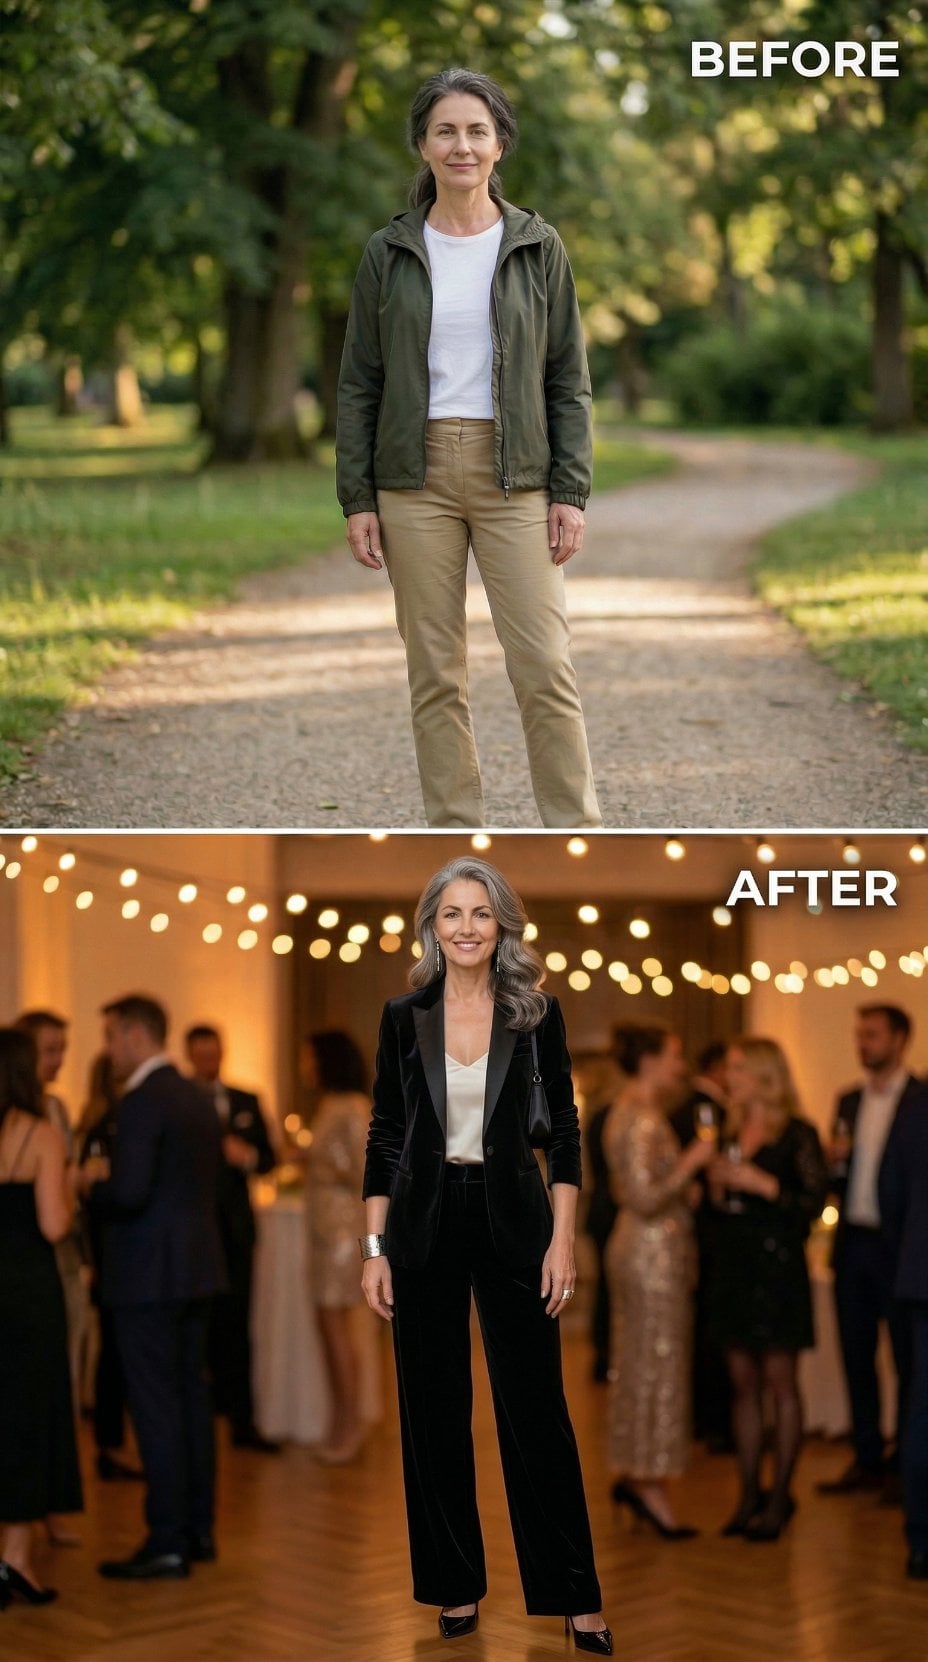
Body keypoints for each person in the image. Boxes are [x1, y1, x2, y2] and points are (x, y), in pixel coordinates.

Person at [336, 66, 602, 830]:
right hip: (412, 479)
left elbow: (567, 379)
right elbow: (359, 383)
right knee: (435, 673)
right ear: (423, 145)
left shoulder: (535, 245)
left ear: (499, 146)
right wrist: (358, 497)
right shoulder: (388, 252)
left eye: (476, 131)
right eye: (445, 131)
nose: (461, 145)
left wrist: (569, 491)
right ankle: (454, 829)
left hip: (515, 473)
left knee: (545, 666)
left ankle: (573, 828)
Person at [361, 856, 611, 1653]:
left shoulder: (537, 1013)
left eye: (480, 913)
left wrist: (563, 1240)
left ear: (502, 923)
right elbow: (385, 1138)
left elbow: (565, 1136)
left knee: (537, 1415)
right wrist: (373, 1249)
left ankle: (577, 1597)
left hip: (516, 1224)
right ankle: (455, 1586)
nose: (466, 928)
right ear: (431, 927)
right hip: (422, 1227)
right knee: (432, 1418)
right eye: (451, 914)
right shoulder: (405, 1016)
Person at [80, 995, 226, 1580]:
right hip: (197, 1268)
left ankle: (166, 1539)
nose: (109, 1048)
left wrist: (92, 1185)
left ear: (136, 1035)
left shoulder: (141, 1101)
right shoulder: (194, 1093)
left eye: (112, 1036)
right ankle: (198, 1530)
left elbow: (131, 1192)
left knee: (157, 1406)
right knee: (192, 1400)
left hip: (147, 1275)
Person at [708, 1038, 828, 1541]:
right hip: (735, 1266)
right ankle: (747, 1494)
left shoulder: (797, 1133)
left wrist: (764, 1185)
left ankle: (780, 1496)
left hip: (778, 1268)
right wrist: (714, 1184)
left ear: (761, 1073)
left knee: (780, 1382)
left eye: (736, 1067)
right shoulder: (727, 1130)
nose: (727, 1076)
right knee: (742, 1384)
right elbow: (716, 1210)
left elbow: (813, 1204)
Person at [604, 1021, 713, 1538]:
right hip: (651, 1254)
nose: (681, 1065)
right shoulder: (643, 1119)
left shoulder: (631, 1111)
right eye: (674, 1055)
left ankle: (638, 1473)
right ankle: (649, 1484)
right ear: (648, 1061)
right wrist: (692, 1163)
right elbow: (645, 1197)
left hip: (644, 1249)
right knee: (655, 1364)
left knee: (641, 1362)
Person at [818, 1004, 921, 1498]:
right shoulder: (849, 1100)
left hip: (900, 1248)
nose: (863, 1044)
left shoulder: (922, 1100)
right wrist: (831, 1161)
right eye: (860, 1035)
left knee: (906, 1360)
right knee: (855, 1357)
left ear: (900, 1039)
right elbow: (836, 1181)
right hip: (853, 1243)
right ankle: (865, 1458)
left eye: (873, 1035)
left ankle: (906, 1462)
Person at [0, 1028, 82, 1608]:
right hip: (27, 1292)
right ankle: (16, 1557)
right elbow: (54, 1224)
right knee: (29, 1416)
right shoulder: (41, 1134)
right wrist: (74, 1189)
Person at [184, 1024, 279, 1453]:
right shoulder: (181, 1103)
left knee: (239, 1328)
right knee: (198, 1330)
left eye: (214, 1056)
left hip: (237, 1233)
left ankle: (243, 1423)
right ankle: (200, 1424)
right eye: (201, 1057)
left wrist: (249, 1156)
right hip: (194, 1234)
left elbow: (270, 1159)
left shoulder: (246, 1100)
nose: (209, 1064)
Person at [301, 1029, 370, 1463]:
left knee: (337, 1329)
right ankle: (339, 1419)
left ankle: (350, 1423)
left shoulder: (353, 1107)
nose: (305, 1066)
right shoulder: (328, 1104)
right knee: (328, 1329)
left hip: (344, 1230)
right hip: (325, 1226)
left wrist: (325, 1166)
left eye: (309, 1058)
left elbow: (370, 1171)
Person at [77, 1052, 142, 1483]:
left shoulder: (103, 1124)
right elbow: (98, 1195)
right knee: (115, 1354)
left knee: (113, 1352)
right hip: (112, 1251)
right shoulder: (106, 1127)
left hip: (110, 1250)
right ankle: (110, 1445)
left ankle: (111, 1443)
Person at [670, 1040, 734, 1451]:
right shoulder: (703, 1110)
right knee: (707, 1329)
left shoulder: (682, 1106)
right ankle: (710, 1420)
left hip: (705, 1232)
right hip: (704, 1233)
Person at [878, 1086, 928, 1578]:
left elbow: (887, 1193)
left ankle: (920, 1541)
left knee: (920, 1409)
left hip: (919, 1275)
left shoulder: (914, 1107)